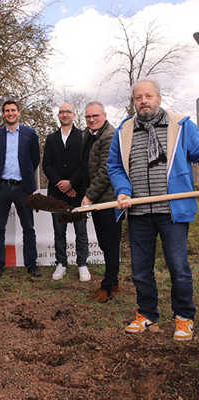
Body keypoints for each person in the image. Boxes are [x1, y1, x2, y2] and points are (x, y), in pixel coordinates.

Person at [107, 79, 198, 341]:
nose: (143, 101)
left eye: (148, 96)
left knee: (178, 267)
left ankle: (184, 318)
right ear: (134, 101)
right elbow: (115, 165)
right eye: (138, 97)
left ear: (158, 97)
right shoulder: (124, 130)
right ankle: (147, 314)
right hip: (139, 212)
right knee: (140, 268)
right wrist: (123, 191)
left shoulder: (180, 125)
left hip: (172, 210)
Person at [0, 100, 41, 280]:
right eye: (6, 110)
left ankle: (31, 264)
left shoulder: (30, 134)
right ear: (3, 114)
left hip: (23, 188)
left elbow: (35, 159)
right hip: (3, 186)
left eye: (13, 110)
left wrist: (26, 177)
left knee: (28, 227)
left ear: (18, 113)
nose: (10, 113)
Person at [43, 103, 90, 282]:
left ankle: (82, 264)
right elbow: (47, 164)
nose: (64, 115)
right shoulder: (51, 138)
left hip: (77, 192)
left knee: (81, 231)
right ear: (58, 115)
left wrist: (71, 184)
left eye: (67, 112)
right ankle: (61, 263)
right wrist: (59, 183)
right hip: (56, 193)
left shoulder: (83, 136)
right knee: (59, 231)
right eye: (61, 112)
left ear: (74, 115)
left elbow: (85, 165)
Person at [81, 101, 122, 302]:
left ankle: (108, 286)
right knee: (105, 243)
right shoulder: (87, 135)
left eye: (95, 116)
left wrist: (89, 196)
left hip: (109, 200)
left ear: (104, 115)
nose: (91, 119)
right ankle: (113, 281)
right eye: (88, 116)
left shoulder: (110, 135)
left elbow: (106, 171)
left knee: (111, 243)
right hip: (97, 200)